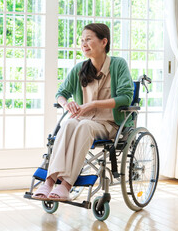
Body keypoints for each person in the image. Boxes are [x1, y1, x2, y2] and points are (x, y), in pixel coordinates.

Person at [32, 23, 134, 201]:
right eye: (81, 40)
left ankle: (66, 185)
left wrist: (93, 104)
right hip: (83, 121)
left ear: (104, 42)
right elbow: (60, 94)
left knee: (83, 125)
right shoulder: (80, 68)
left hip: (109, 124)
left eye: (88, 39)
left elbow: (126, 97)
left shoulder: (118, 65)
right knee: (69, 122)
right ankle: (49, 181)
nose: (84, 44)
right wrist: (67, 104)